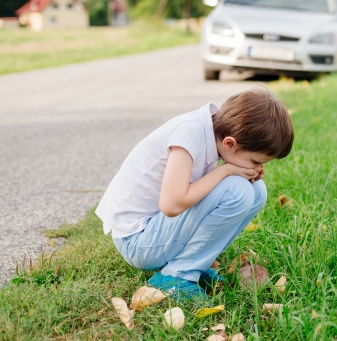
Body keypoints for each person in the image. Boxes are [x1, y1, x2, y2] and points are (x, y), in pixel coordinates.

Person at [95, 86, 294, 302]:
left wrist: (241, 171)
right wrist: (226, 170)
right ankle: (177, 275)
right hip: (137, 241)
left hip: (157, 233)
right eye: (255, 161)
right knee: (237, 191)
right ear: (229, 143)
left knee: (257, 190)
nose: (257, 167)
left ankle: (194, 263)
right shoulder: (189, 133)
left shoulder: (213, 131)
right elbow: (171, 205)